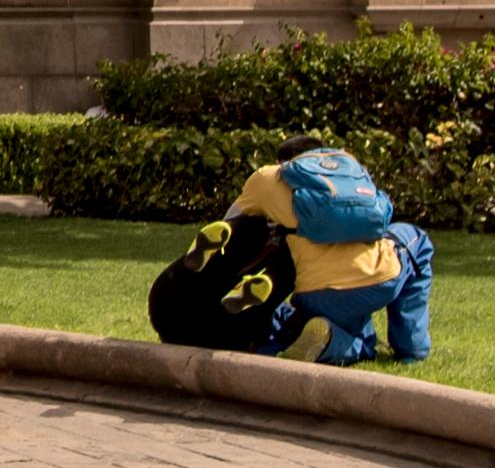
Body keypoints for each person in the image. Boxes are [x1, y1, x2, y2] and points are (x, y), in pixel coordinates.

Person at [150, 144, 435, 365]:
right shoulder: (351, 172)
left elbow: (239, 214)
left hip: (313, 291)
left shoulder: (269, 179)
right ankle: (412, 348)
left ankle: (292, 338)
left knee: (298, 321)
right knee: (416, 241)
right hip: (376, 280)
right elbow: (382, 216)